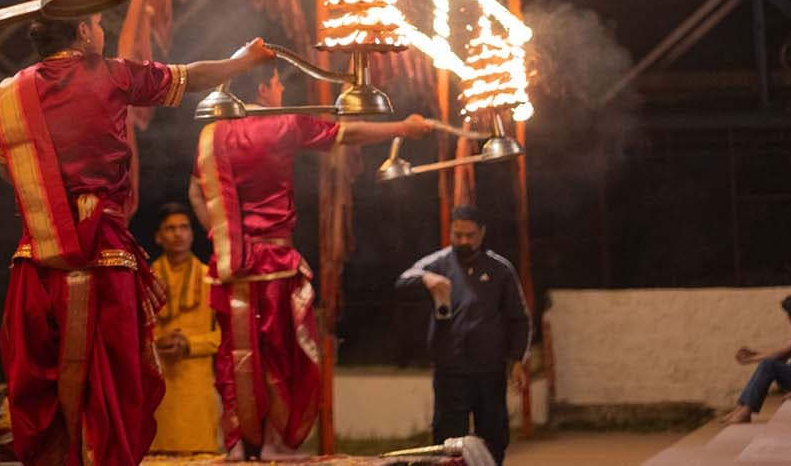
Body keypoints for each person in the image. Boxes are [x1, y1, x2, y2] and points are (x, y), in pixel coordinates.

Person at [0, 14, 274, 466]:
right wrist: (243, 61)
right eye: (98, 23)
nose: (103, 32)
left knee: (41, 386)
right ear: (82, 31)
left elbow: (8, 169)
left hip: (38, 260)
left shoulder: (11, 92)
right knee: (116, 388)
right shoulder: (110, 73)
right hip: (104, 259)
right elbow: (191, 76)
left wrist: (57, 203)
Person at [188, 65, 432, 459]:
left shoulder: (212, 135)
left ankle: (238, 445)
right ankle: (273, 442)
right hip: (274, 263)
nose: (282, 90)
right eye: (278, 83)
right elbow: (346, 133)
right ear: (263, 89)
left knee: (237, 353)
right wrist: (403, 127)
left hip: (230, 263)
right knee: (278, 352)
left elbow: (196, 193)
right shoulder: (283, 124)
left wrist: (223, 239)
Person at [397, 205, 530, 465]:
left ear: (482, 233)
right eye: (458, 235)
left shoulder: (500, 269)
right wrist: (426, 279)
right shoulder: (439, 263)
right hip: (450, 370)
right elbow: (403, 280)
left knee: (493, 436)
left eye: (470, 235)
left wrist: (517, 359)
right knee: (448, 440)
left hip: (489, 370)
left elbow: (519, 318)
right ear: (450, 232)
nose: (464, 241)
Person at [147, 203, 222, 455]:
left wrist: (190, 344)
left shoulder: (210, 278)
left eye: (184, 227)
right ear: (158, 237)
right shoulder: (146, 281)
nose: (178, 233)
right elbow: (131, 334)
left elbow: (223, 336)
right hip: (158, 390)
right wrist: (157, 341)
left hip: (196, 391)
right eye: (170, 228)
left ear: (192, 234)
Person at [719, 294, 791, 424]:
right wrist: (754, 354)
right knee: (768, 364)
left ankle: (746, 410)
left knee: (768, 365)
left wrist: (751, 359)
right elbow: (782, 354)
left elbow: (780, 354)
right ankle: (741, 408)